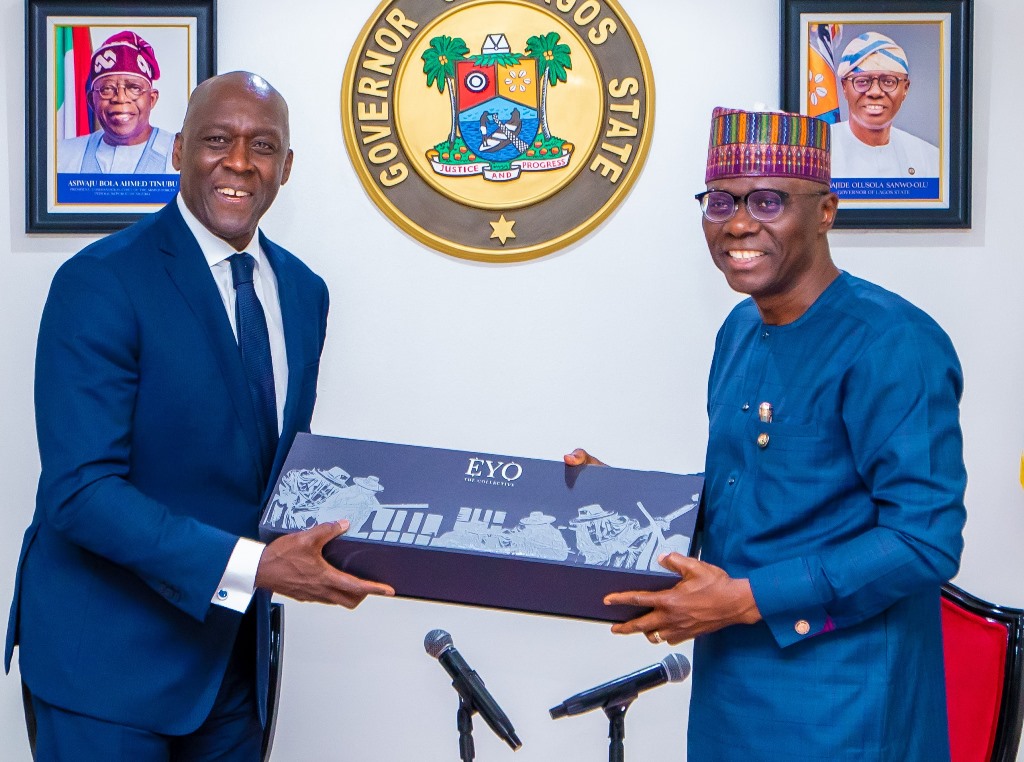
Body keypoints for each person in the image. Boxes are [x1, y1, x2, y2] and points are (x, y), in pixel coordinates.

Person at [6, 71, 394, 760]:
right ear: (180, 149)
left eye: (263, 145)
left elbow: (265, 470)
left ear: (287, 166)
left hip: (234, 671)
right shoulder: (101, 281)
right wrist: (257, 567)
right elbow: (81, 493)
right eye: (217, 140)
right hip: (105, 670)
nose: (240, 162)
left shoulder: (304, 292)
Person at [569, 106, 966, 759]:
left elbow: (923, 541)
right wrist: (626, 501)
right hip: (734, 693)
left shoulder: (895, 343)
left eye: (768, 201)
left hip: (847, 701)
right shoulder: (738, 332)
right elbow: (745, 508)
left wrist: (748, 599)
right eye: (720, 201)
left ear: (826, 212)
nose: (740, 223)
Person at [57, 31, 176, 174]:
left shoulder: (181, 154)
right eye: (107, 88)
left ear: (151, 99)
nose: (120, 98)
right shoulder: (62, 156)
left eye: (134, 88)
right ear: (91, 101)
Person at [830, 31, 939, 178]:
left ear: (905, 89)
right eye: (862, 81)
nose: (875, 92)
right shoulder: (816, 153)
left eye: (888, 81)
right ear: (844, 87)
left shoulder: (929, 159)